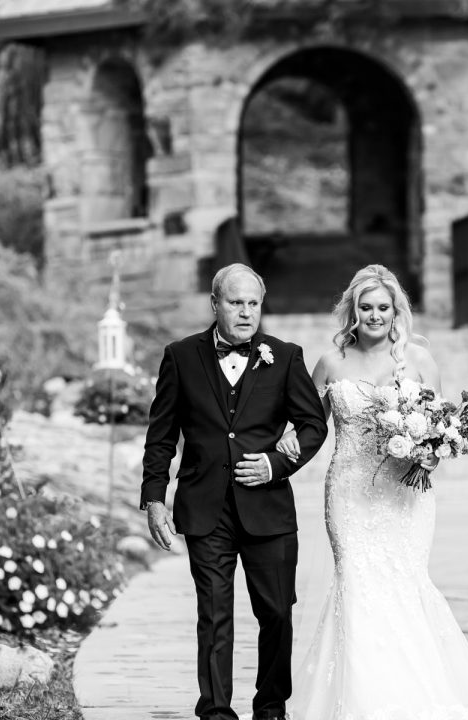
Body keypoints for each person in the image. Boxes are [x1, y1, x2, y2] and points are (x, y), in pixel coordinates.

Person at [278, 264, 468, 719]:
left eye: (384, 307)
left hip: (405, 497)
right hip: (349, 492)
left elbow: (444, 432)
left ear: (396, 311)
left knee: (404, 585)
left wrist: (430, 450)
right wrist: (283, 440)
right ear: (353, 311)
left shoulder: (419, 361)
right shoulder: (330, 363)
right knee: (358, 586)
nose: (375, 315)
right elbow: (306, 424)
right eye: (366, 307)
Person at [140, 263, 329, 720]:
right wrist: (154, 498)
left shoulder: (284, 356)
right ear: (215, 304)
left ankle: (270, 707)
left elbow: (313, 425)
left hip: (268, 509)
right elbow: (161, 435)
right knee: (214, 614)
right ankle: (216, 711)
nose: (246, 313)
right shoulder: (180, 356)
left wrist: (276, 463)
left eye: (253, 304)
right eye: (235, 302)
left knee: (277, 614)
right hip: (205, 509)